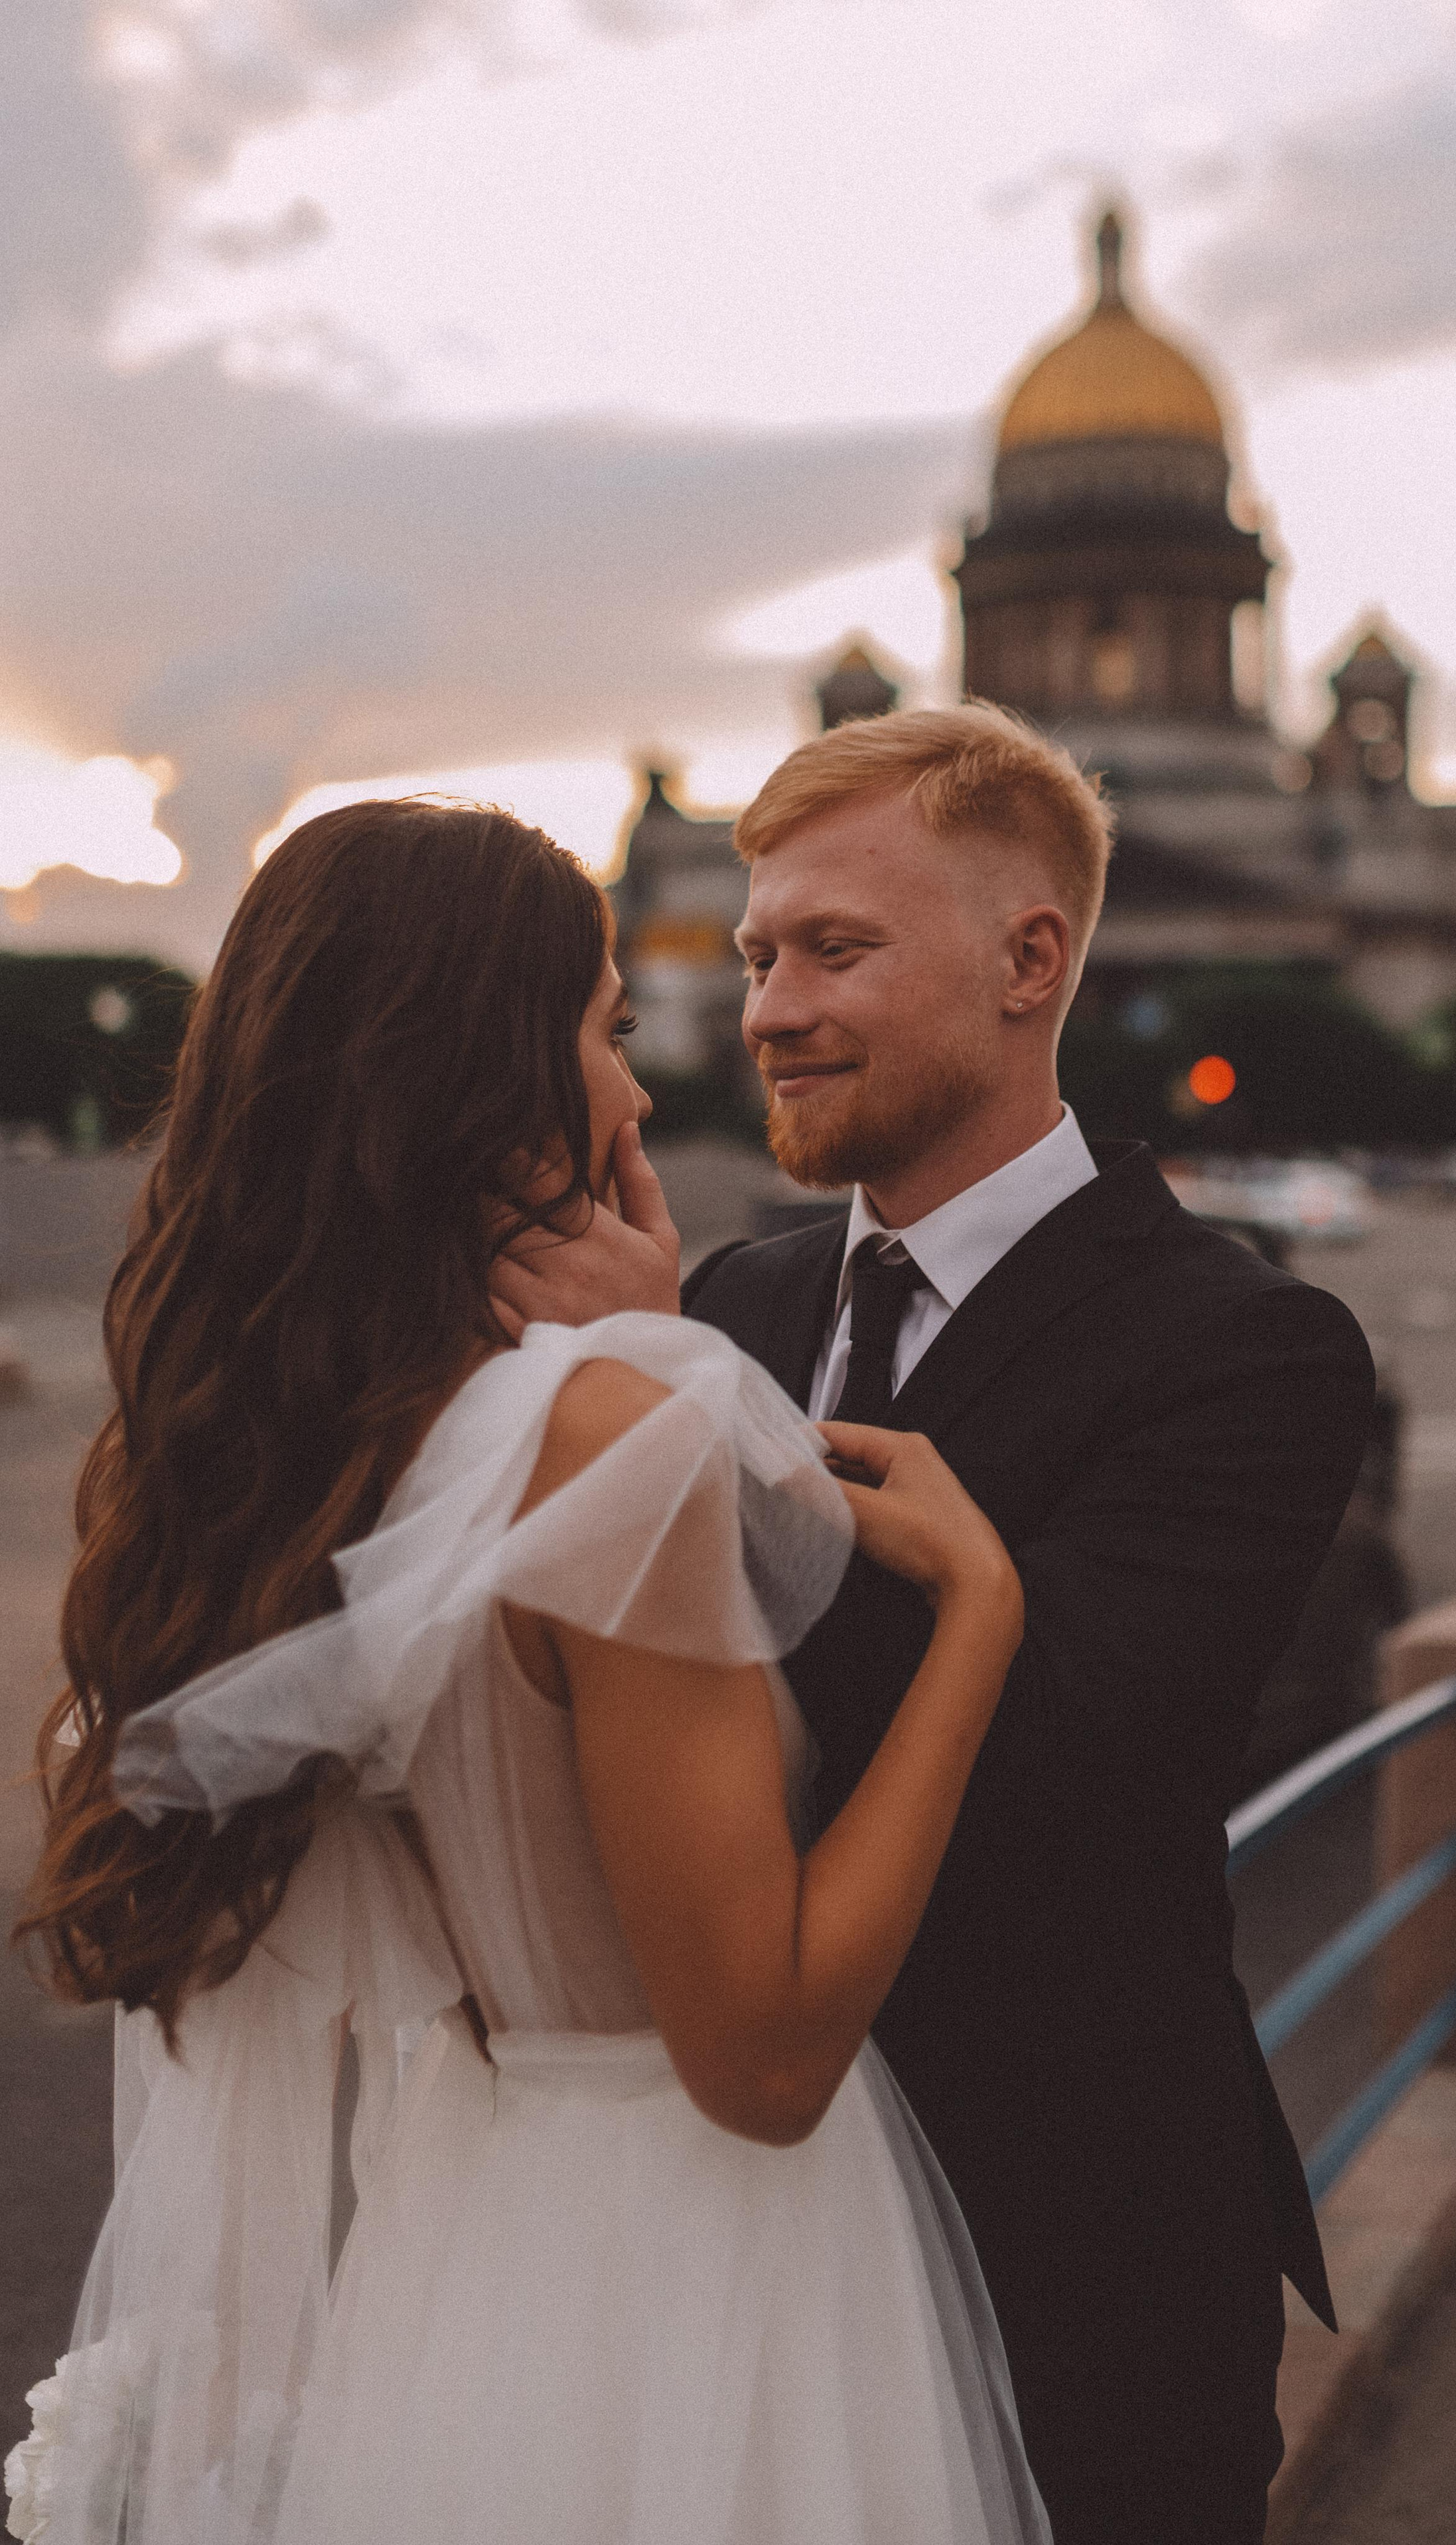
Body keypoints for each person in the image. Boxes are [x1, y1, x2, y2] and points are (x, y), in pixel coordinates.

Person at [6, 799, 1054, 2545]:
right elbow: (765, 2053)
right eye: (603, 1031)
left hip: (466, 2230)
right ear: (473, 1077)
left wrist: (645, 1355)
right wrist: (981, 1619)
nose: (638, 1096)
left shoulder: (279, 1447)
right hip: (703, 2253)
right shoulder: (601, 1437)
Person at [496, 706, 1378, 2544]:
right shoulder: (729, 1294)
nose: (766, 1011)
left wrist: (671, 1423)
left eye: (836, 949)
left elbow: (1052, 1754)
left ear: (1027, 959)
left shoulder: (1249, 1347)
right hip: (736, 2231)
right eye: (753, 956)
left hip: (1079, 2257)